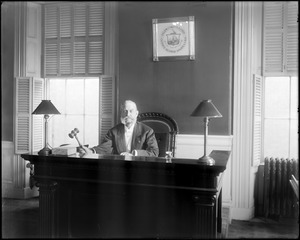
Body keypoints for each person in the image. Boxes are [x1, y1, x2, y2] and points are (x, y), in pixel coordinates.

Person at [80, 100, 159, 157]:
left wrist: (134, 154)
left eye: (131, 111)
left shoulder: (147, 131)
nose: (128, 114)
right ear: (121, 113)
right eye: (125, 111)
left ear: (136, 113)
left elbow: (154, 152)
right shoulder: (113, 131)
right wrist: (91, 151)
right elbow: (106, 147)